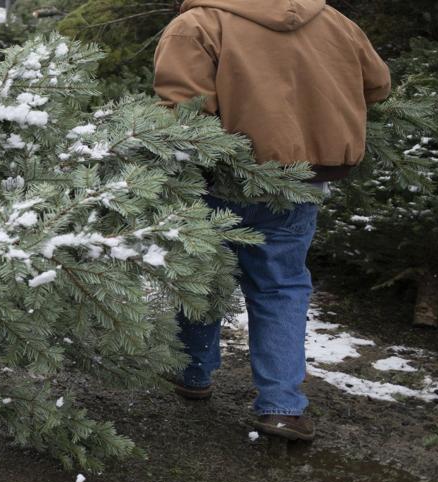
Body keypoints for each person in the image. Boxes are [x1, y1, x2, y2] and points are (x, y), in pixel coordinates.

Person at [153, 0, 389, 441]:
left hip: (220, 177)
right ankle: (283, 407)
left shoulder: (198, 24)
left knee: (204, 276)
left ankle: (193, 372)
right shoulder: (334, 21)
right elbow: (377, 85)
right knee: (281, 285)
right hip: (303, 178)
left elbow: (182, 113)